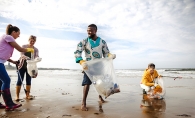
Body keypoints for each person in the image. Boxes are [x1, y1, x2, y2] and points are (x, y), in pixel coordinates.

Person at [74, 24, 116, 111]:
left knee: (99, 83)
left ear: (95, 31)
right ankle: (83, 103)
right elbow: (77, 52)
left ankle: (100, 98)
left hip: (99, 66)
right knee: (86, 84)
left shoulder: (102, 42)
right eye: (87, 30)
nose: (89, 32)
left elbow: (106, 53)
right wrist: (81, 62)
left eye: (91, 30)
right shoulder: (84, 41)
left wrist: (110, 55)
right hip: (88, 66)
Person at [0, 24, 34, 110]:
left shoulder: (7, 39)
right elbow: (20, 49)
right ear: (13, 32)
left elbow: (4, 55)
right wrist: (30, 49)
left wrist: (13, 61)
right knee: (7, 80)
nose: (19, 36)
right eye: (18, 33)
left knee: (1, 82)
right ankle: (9, 104)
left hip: (1, 62)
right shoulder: (8, 37)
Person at [15, 35, 39, 101]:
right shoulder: (24, 46)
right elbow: (21, 54)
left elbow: (36, 56)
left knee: (28, 80)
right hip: (22, 65)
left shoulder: (36, 49)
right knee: (20, 80)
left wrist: (37, 58)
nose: (32, 42)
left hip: (30, 68)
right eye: (31, 41)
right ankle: (17, 96)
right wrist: (26, 57)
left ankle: (27, 95)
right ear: (29, 40)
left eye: (33, 41)